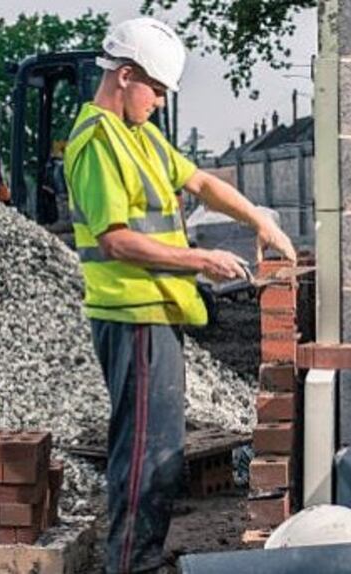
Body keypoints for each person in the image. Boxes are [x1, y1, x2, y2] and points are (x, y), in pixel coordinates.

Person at [62, 17, 296, 574]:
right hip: (132, 315)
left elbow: (201, 182)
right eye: (157, 89)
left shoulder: (138, 135)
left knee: (158, 450)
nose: (160, 103)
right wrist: (202, 259)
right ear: (124, 76)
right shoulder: (97, 142)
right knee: (146, 452)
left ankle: (139, 557)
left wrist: (259, 220)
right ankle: (131, 563)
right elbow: (117, 242)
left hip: (157, 313)